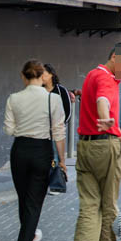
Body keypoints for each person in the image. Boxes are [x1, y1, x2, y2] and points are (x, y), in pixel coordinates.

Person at [71, 42, 121, 241]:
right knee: (109, 203)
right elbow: (103, 102)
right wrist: (106, 122)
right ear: (115, 57)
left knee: (89, 204)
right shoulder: (107, 79)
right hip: (104, 147)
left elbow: (102, 105)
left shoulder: (93, 74)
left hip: (86, 146)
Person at [3, 60, 66, 241]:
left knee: (24, 197)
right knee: (34, 200)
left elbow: (9, 130)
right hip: (42, 150)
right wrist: (62, 160)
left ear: (23, 76)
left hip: (19, 150)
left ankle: (29, 236)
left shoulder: (14, 98)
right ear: (42, 76)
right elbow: (58, 132)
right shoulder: (53, 100)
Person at [42, 63, 73, 196]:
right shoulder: (38, 90)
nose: (42, 76)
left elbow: (67, 111)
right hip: (41, 130)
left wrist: (60, 125)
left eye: (45, 73)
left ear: (52, 75)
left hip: (56, 130)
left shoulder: (61, 90)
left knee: (55, 157)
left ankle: (55, 184)